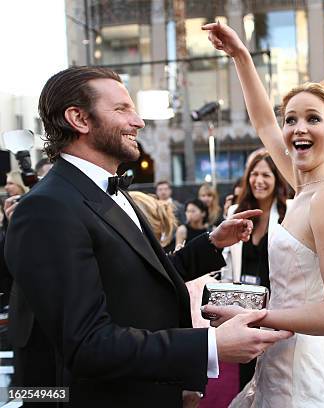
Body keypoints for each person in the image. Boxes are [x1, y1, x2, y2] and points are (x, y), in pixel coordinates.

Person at [4, 66, 292, 407]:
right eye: (122, 109)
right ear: (79, 119)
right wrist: (209, 346)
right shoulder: (47, 208)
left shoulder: (106, 189)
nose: (138, 121)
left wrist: (211, 244)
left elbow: (138, 279)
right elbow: (87, 343)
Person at [202, 22, 324, 407]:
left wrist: (258, 318)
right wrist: (240, 55)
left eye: (312, 119)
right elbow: (263, 123)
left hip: (304, 375)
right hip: (277, 364)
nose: (298, 128)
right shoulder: (303, 188)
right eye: (291, 119)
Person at [223, 151, 289, 388]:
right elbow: (229, 261)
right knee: (247, 379)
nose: (259, 180)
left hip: (278, 310)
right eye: (254, 174)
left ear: (277, 179)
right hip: (243, 310)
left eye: (266, 175)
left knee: (277, 378)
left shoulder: (288, 213)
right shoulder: (235, 213)